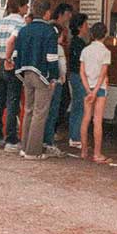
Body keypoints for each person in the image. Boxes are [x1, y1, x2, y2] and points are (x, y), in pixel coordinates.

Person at [15, 0, 59, 160]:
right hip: (42, 75)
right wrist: (53, 77)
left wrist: (19, 71)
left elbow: (16, 53)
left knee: (28, 110)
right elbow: (52, 58)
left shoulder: (24, 29)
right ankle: (33, 151)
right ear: (47, 13)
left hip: (26, 73)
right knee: (40, 114)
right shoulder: (50, 31)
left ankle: (24, 146)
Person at [0, 0, 29, 152]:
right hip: (12, 65)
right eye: (25, 5)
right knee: (13, 102)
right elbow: (12, 40)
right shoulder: (20, 23)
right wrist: (8, 58)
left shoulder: (2, 21)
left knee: (0, 101)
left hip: (1, 64)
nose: (27, 8)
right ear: (19, 7)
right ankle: (11, 139)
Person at [79, 22, 112, 164]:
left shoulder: (85, 50)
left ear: (92, 34)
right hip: (101, 89)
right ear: (105, 35)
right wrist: (97, 91)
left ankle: (83, 150)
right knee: (97, 121)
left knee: (85, 119)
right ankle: (97, 154)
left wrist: (89, 90)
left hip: (88, 88)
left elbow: (82, 72)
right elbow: (103, 73)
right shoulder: (106, 52)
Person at [42, 24, 67, 157]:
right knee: (52, 113)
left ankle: (40, 140)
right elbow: (62, 66)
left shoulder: (42, 45)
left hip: (43, 81)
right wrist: (62, 77)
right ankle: (49, 142)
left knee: (42, 112)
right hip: (55, 82)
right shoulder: (59, 49)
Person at [68, 13, 89, 149]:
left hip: (75, 76)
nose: (88, 27)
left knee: (77, 106)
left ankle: (74, 135)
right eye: (86, 24)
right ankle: (76, 137)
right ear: (80, 27)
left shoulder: (76, 42)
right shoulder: (78, 43)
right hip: (79, 77)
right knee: (80, 106)